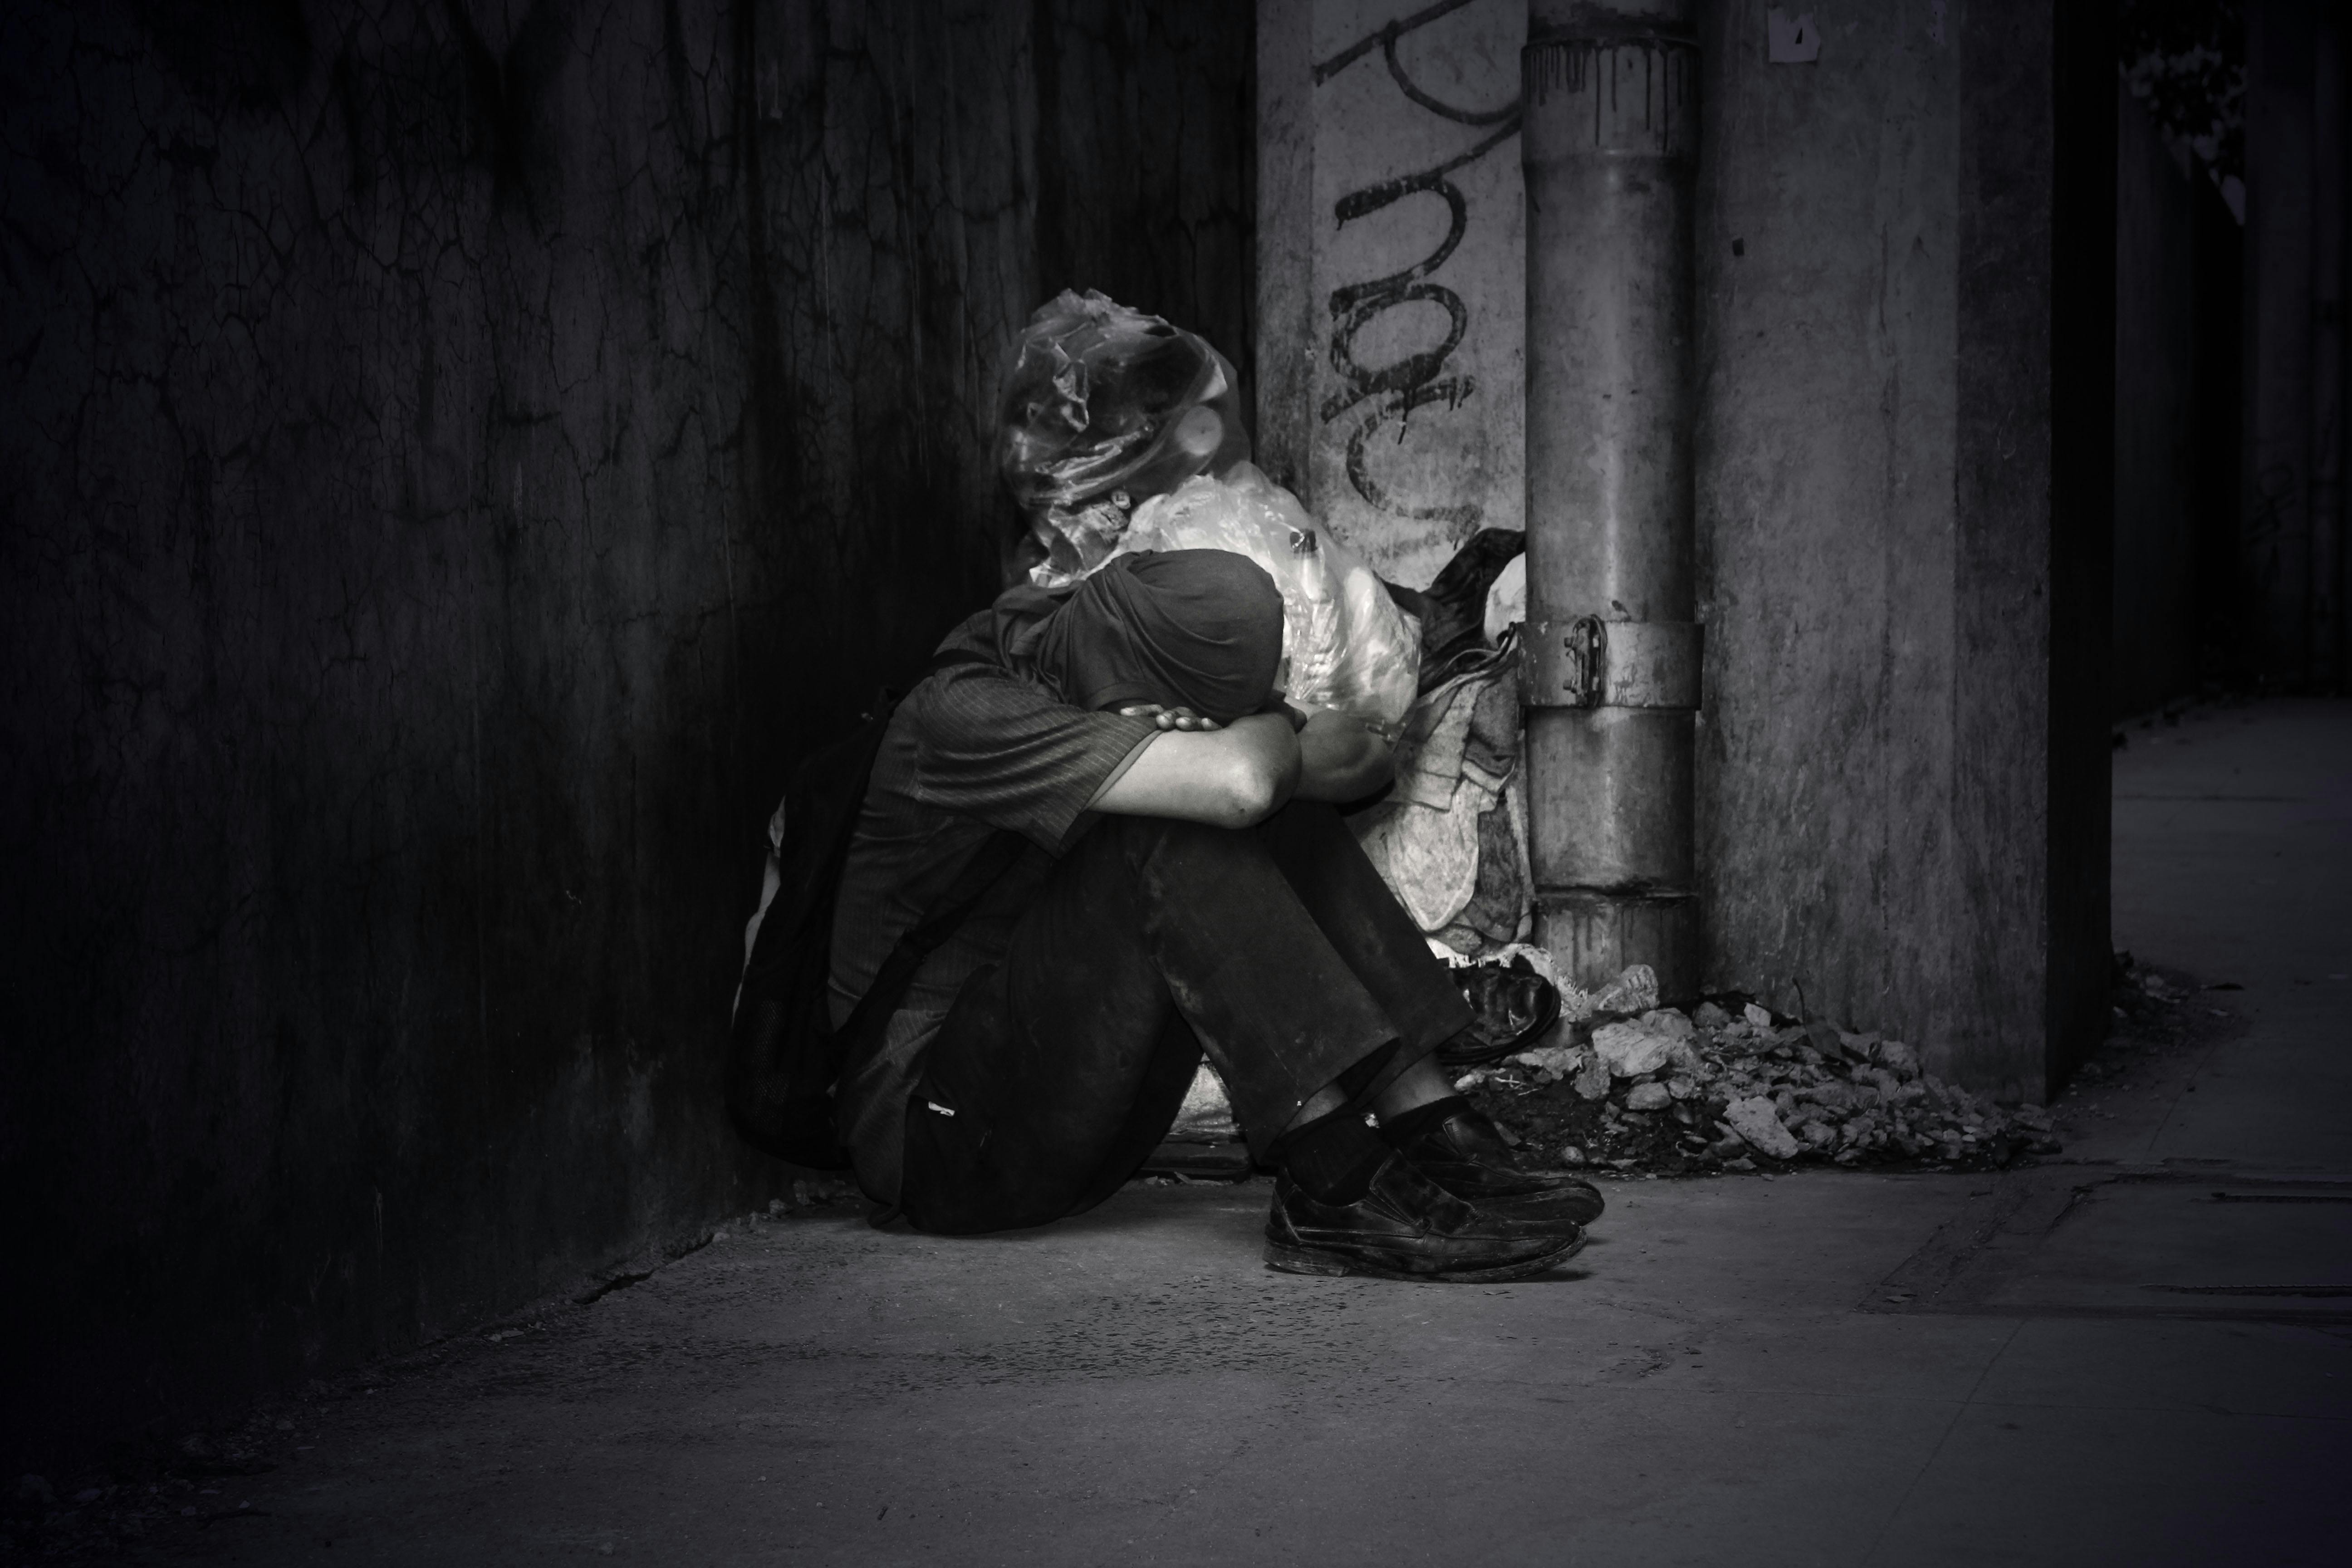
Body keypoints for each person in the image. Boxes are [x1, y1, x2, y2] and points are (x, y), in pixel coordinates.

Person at [826, 546, 1602, 1280]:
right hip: (943, 1145)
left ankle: (1429, 1124)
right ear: (1133, 689)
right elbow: (1240, 784)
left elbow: (1362, 750)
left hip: (1075, 1113)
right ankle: (1332, 1183)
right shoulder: (965, 712)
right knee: (1186, 820)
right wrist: (1259, 743)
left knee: (1277, 802)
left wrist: (1259, 745)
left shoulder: (1097, 642)